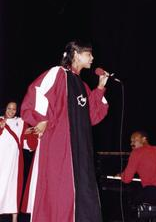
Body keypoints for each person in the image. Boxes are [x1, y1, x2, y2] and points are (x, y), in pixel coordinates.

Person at [20, 40, 109, 222]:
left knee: (82, 195)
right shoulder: (58, 73)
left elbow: (92, 115)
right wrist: (42, 119)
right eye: (88, 54)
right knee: (59, 193)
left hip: (81, 150)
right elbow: (37, 91)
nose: (92, 58)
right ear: (76, 54)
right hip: (59, 145)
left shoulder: (82, 86)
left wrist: (100, 88)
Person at [0, 101, 37, 222]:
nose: (11, 111)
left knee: (13, 188)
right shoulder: (0, 120)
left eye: (14, 109)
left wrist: (31, 132)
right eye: (9, 108)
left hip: (13, 162)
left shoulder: (20, 123)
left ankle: (14, 219)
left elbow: (29, 143)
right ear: (4, 108)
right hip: (1, 159)